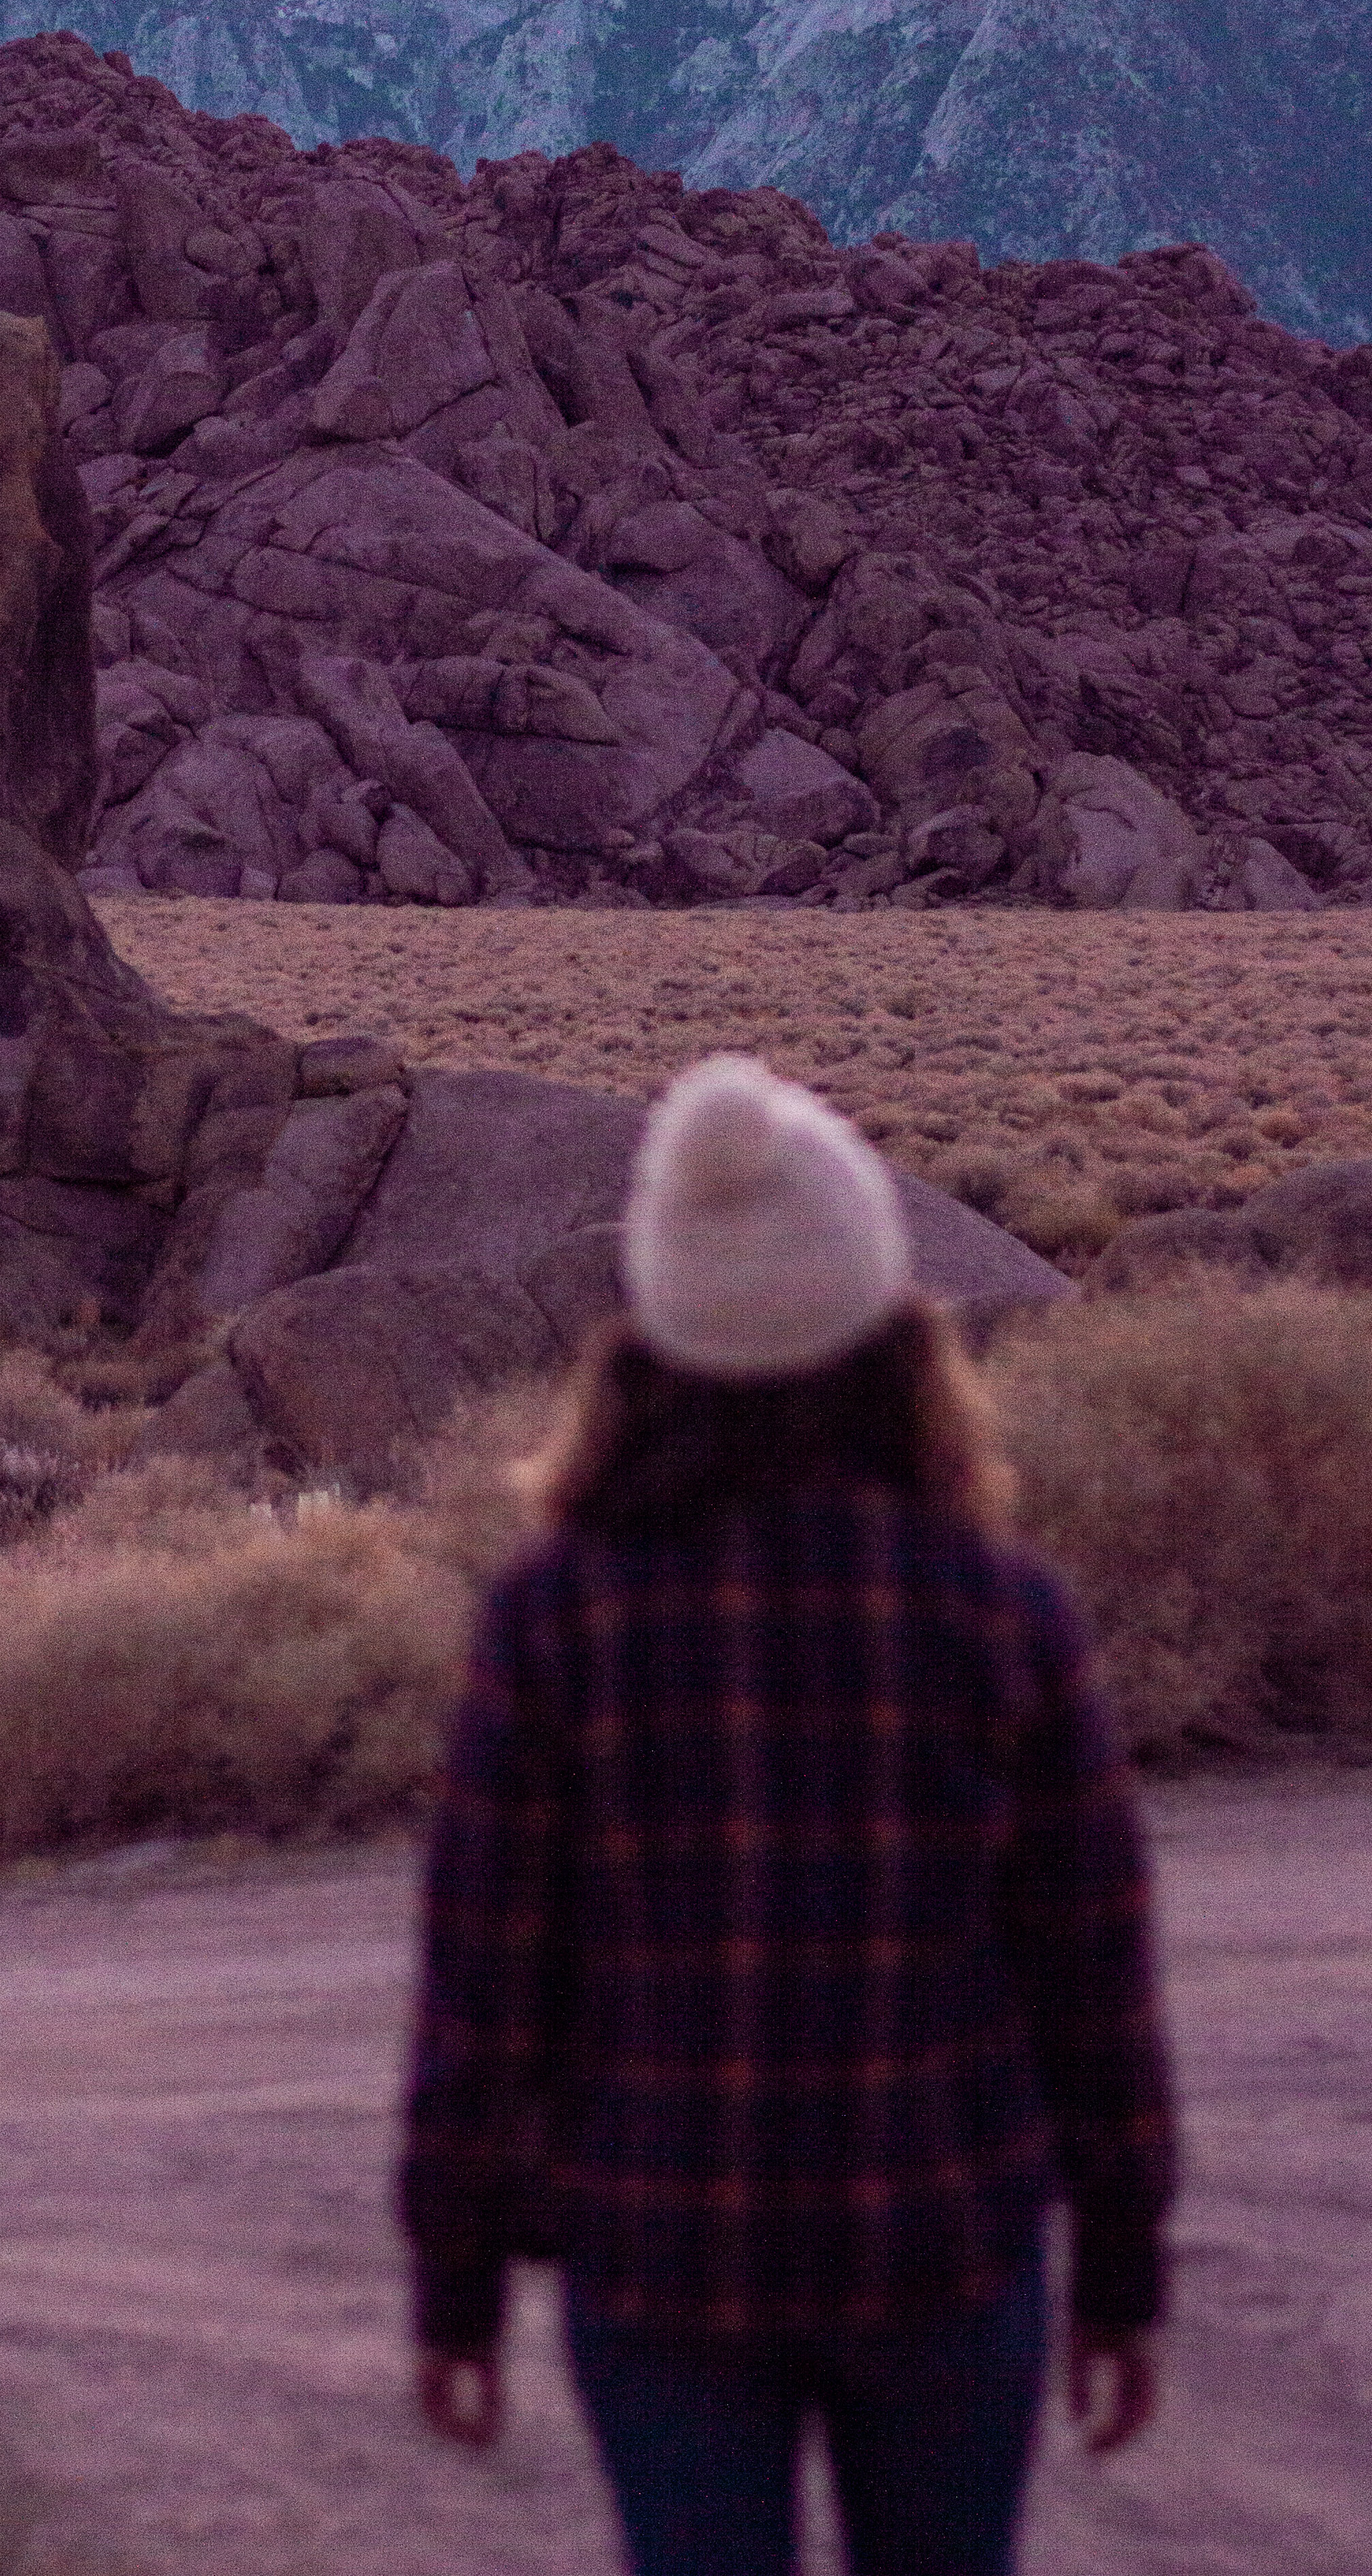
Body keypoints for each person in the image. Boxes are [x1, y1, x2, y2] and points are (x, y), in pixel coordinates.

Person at [397, 1054, 1175, 2576]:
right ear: (888, 1320)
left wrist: (456, 2285)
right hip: (940, 2240)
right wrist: (1120, 2269)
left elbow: (482, 1985)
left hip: (665, 2251)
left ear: (658, 1328)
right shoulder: (997, 1611)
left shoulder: (557, 1618)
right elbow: (1094, 1975)